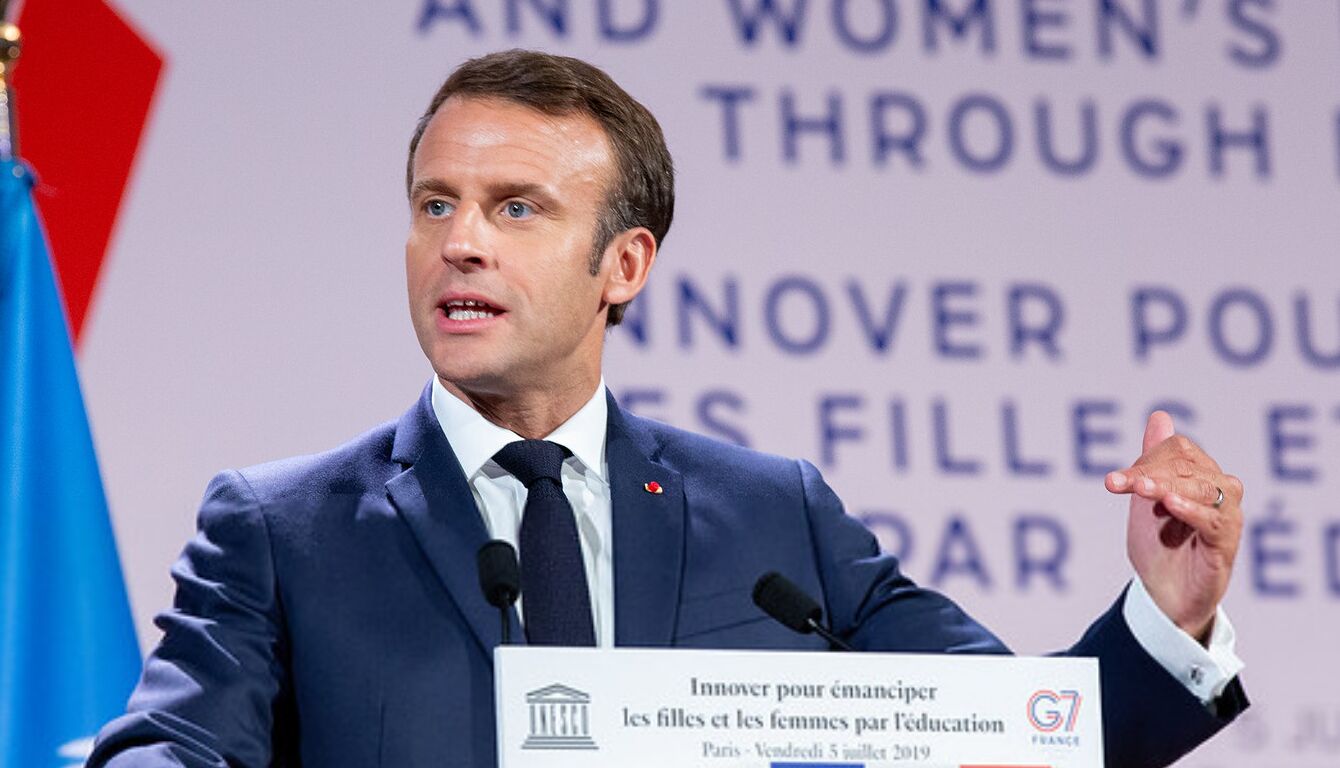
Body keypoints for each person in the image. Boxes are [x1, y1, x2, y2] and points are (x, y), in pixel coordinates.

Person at [89, 49, 1247, 768]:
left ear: (623, 264)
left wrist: (1168, 615)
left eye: (515, 207)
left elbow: (1016, 733)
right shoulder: (281, 531)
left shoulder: (774, 520)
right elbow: (170, 749)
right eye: (435, 204)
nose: (460, 242)